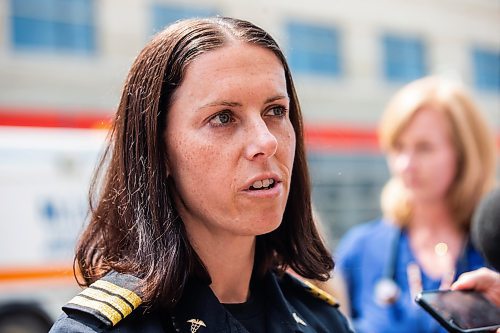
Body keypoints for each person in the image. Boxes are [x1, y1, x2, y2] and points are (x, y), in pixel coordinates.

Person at [49, 17, 352, 332]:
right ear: (159, 150)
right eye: (223, 117)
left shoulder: (324, 320)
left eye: (275, 111)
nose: (266, 141)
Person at [335, 76, 497, 333]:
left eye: (424, 148)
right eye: (398, 147)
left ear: (464, 154)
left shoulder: (493, 249)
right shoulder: (360, 249)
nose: (405, 165)